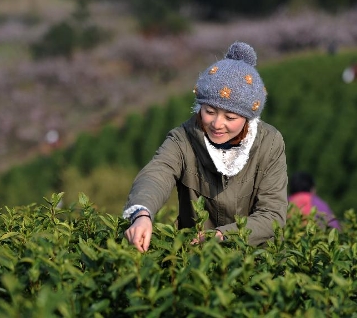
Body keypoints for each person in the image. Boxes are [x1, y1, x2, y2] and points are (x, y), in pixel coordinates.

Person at [122, 41, 288, 252]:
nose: (217, 124)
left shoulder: (269, 143)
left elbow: (272, 213)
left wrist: (222, 236)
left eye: (230, 117)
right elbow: (157, 174)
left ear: (248, 118)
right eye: (209, 111)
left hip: (252, 257)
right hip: (194, 256)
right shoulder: (184, 138)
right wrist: (142, 215)